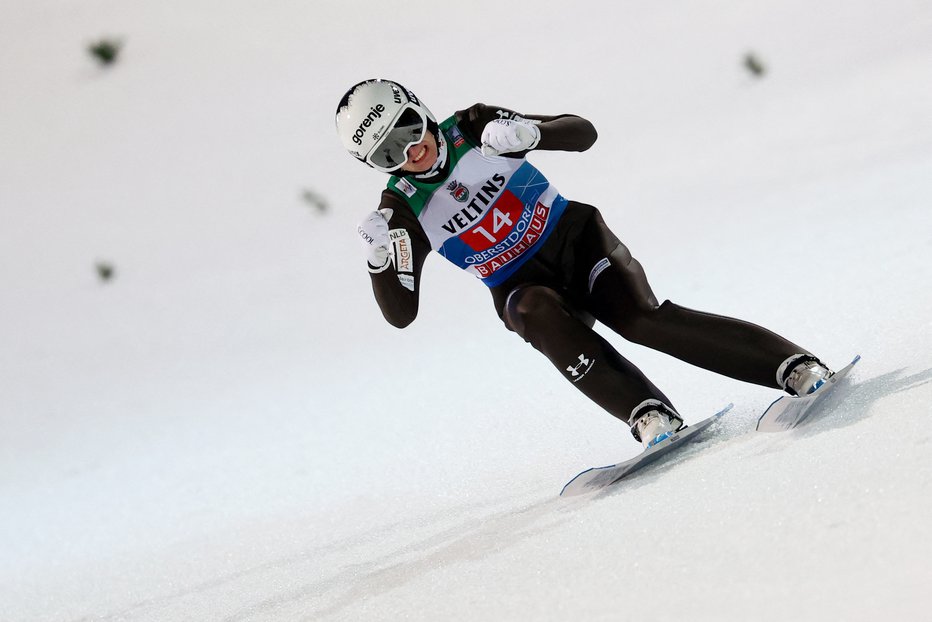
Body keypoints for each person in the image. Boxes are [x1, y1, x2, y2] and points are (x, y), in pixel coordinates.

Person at [335, 78, 834, 448]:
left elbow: (583, 134)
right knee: (531, 311)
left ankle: (791, 366)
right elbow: (402, 314)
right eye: (389, 153)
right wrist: (381, 261)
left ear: (420, 110)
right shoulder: (400, 210)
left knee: (641, 321)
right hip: (520, 285)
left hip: (576, 242)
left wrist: (530, 133)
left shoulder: (472, 125)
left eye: (408, 128)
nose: (412, 149)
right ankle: (647, 414)